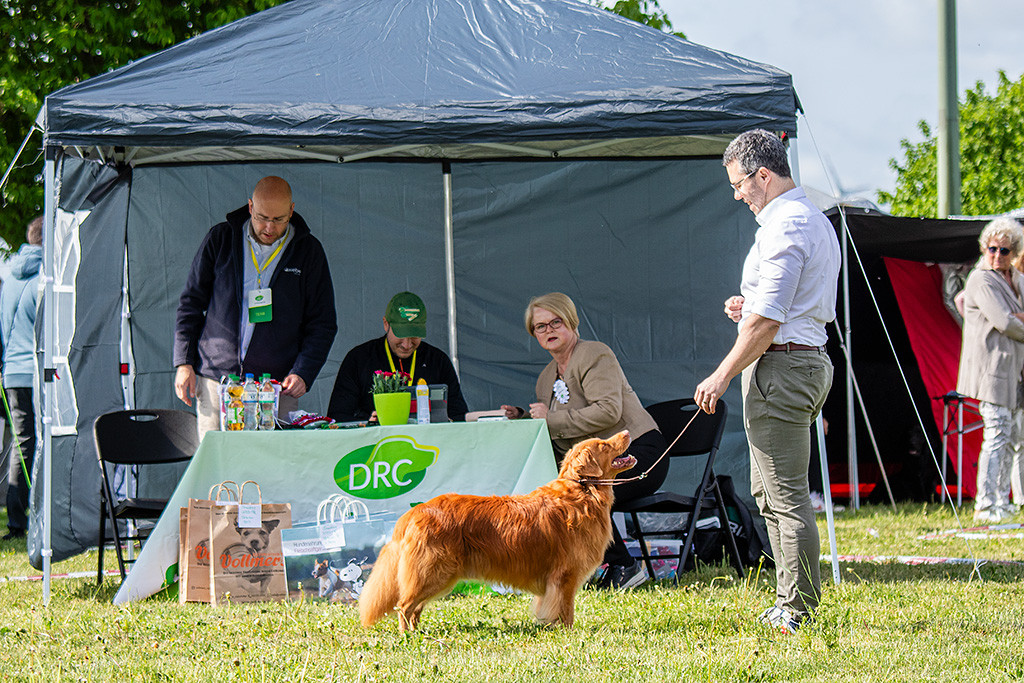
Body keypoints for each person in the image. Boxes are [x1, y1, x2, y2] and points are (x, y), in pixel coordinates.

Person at [694, 130, 840, 633]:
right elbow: (775, 308)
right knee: (767, 492)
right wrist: (746, 305)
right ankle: (789, 599)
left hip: (782, 366)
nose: (737, 194)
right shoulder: (811, 219)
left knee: (785, 495)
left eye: (740, 184)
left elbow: (768, 322)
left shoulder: (786, 226)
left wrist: (720, 374)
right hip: (798, 360)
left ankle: (798, 608)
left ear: (763, 175)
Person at [500, 292, 668, 590]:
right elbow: (557, 426)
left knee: (577, 497)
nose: (549, 330)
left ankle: (625, 567)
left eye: (556, 322)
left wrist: (548, 419)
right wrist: (524, 416)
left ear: (572, 323)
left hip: (637, 451)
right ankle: (594, 567)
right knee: (552, 493)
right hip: (594, 467)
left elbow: (607, 411)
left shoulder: (595, 354)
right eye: (540, 326)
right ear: (534, 333)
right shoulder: (545, 378)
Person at [173, 176, 338, 437]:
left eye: (279, 219)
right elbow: (191, 303)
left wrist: (304, 372)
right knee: (216, 467)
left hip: (276, 387)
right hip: (217, 381)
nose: (269, 227)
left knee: (274, 469)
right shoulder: (221, 238)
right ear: (250, 207)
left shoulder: (308, 251)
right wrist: (184, 362)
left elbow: (323, 322)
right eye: (262, 217)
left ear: (291, 211)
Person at [956, 217, 1024, 523]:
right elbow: (1005, 321)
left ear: (1014, 252)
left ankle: (1001, 500)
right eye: (992, 248)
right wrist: (1015, 316)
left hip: (1014, 369)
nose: (997, 255)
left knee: (1010, 436)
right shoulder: (980, 279)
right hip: (991, 369)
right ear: (984, 248)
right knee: (997, 434)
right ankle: (985, 503)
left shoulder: (1015, 278)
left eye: (1004, 250)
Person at [327, 292, 469, 422]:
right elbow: (337, 416)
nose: (407, 345)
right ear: (385, 324)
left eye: (414, 335)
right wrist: (368, 421)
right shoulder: (359, 358)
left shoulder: (438, 360)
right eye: (400, 335)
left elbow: (458, 415)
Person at [0, 216, 42, 540]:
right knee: (37, 444)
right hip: (35, 372)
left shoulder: (10, 275)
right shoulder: (46, 274)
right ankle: (32, 518)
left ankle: (17, 521)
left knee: (20, 444)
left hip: (12, 371)